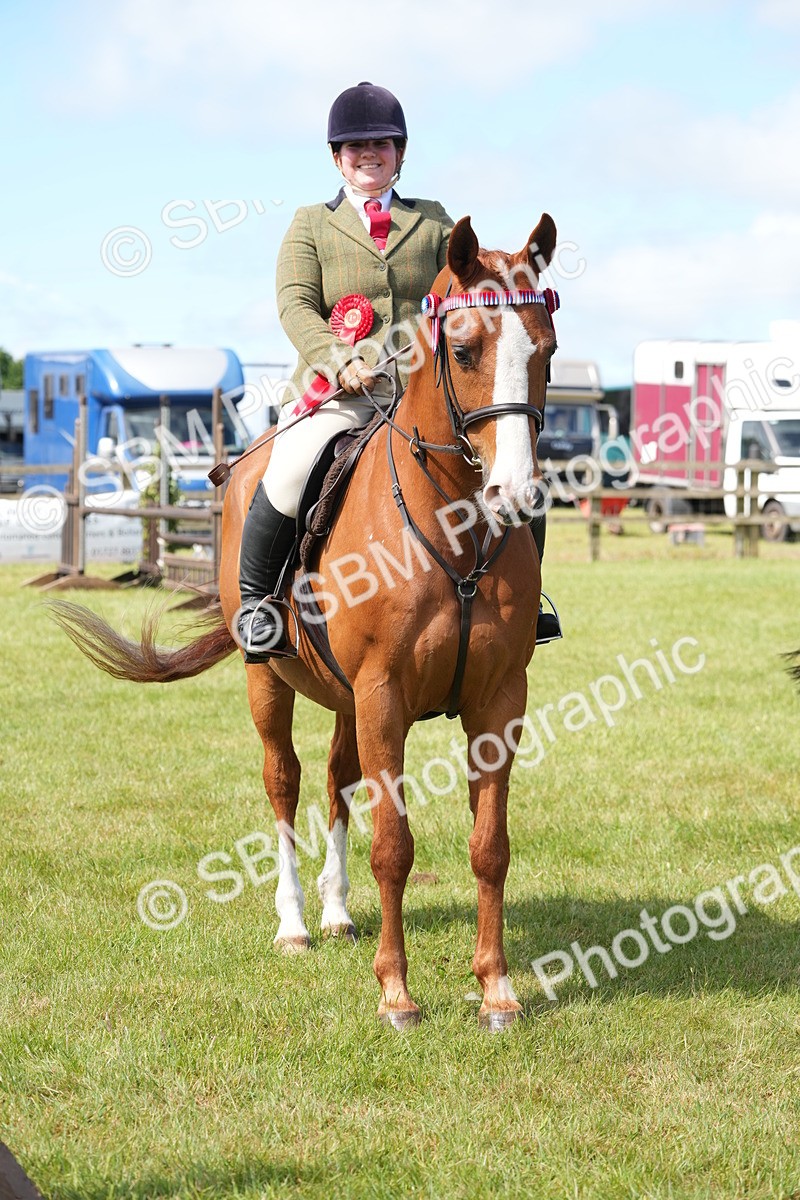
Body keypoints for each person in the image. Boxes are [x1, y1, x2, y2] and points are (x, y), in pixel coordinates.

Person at [237, 81, 561, 662]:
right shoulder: (310, 225)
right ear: (337, 156)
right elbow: (295, 305)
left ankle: (527, 603)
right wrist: (340, 361)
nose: (369, 154)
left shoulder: (433, 221)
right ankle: (259, 606)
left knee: (519, 475)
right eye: (355, 146)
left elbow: (473, 287)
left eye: (381, 145)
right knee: (286, 469)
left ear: (400, 154)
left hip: (423, 391)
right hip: (338, 392)